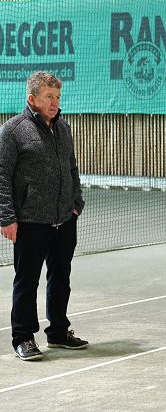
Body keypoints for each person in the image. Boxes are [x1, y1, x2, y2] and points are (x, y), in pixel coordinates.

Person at [0, 71, 88, 361]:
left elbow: (71, 167)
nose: (54, 102)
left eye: (57, 96)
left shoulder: (63, 128)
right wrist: (6, 218)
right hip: (29, 222)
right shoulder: (12, 131)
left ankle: (58, 332)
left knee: (61, 277)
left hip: (64, 219)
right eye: (48, 96)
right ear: (32, 98)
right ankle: (23, 338)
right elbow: (1, 176)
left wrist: (76, 203)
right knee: (27, 281)